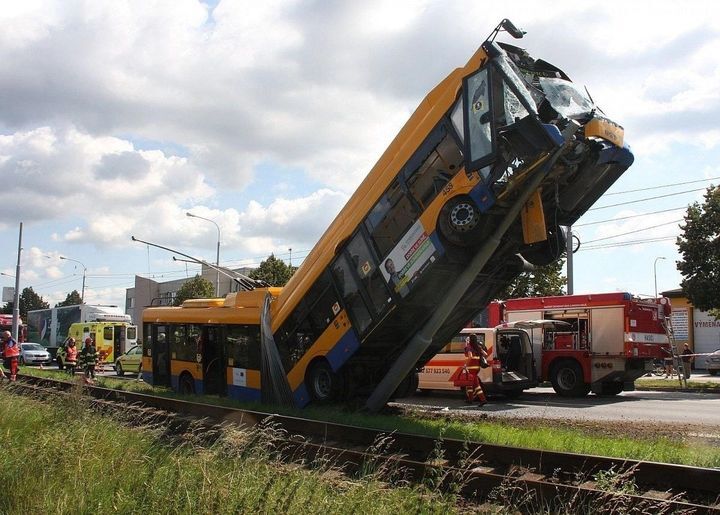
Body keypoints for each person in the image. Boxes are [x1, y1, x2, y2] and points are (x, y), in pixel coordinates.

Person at [463, 333, 488, 406]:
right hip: (477, 368)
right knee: (470, 384)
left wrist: (465, 365)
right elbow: (485, 354)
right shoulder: (478, 347)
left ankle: (483, 400)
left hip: (471, 368)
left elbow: (470, 356)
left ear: (470, 340)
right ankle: (470, 399)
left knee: (476, 385)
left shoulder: (469, 347)